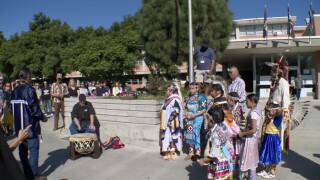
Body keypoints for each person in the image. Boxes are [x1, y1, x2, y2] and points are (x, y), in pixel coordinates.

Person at [10, 67, 48, 179]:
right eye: (30, 75)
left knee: (22, 154)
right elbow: (35, 109)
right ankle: (34, 176)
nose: (31, 77)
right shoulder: (30, 90)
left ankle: (27, 175)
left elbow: (11, 110)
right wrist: (43, 118)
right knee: (33, 152)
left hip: (19, 130)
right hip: (31, 129)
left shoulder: (14, 91)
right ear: (27, 76)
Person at [198, 107, 234, 180]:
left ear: (212, 120)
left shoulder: (215, 134)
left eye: (207, 119)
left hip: (219, 163)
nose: (207, 121)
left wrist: (202, 160)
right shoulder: (222, 126)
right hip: (225, 157)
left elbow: (214, 153)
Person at [237, 93, 261, 180]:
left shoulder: (253, 113)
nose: (246, 103)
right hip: (253, 139)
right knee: (252, 162)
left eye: (247, 101)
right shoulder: (256, 110)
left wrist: (242, 134)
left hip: (250, 140)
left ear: (253, 102)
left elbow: (253, 129)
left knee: (247, 160)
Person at [257, 102, 282, 179]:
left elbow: (280, 110)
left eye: (270, 110)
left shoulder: (277, 119)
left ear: (274, 111)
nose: (268, 112)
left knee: (272, 155)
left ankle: (272, 172)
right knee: (266, 154)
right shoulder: (271, 118)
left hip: (273, 139)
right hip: (267, 137)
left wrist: (274, 107)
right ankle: (266, 170)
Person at [160, 83, 183, 160]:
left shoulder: (175, 99)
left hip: (172, 123)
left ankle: (172, 154)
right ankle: (168, 152)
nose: (166, 92)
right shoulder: (169, 99)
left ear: (171, 91)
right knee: (168, 137)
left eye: (167, 90)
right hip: (166, 123)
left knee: (173, 137)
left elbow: (176, 110)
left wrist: (170, 120)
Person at [184, 82, 207, 161]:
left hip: (198, 119)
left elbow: (204, 109)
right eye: (190, 88)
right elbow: (185, 107)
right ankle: (191, 153)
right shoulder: (188, 97)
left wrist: (196, 115)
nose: (191, 90)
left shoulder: (202, 97)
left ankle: (198, 152)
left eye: (193, 88)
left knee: (196, 134)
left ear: (197, 89)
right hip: (189, 119)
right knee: (189, 134)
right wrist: (186, 113)